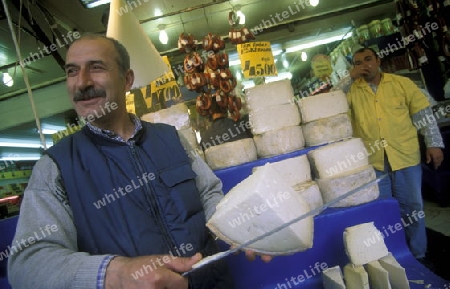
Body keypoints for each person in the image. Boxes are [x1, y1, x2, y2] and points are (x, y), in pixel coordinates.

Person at [7, 34, 271, 289]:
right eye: (72, 72)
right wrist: (115, 274)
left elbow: (208, 194)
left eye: (96, 68)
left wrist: (239, 224)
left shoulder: (171, 138)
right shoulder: (56, 167)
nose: (82, 83)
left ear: (127, 79)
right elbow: (27, 264)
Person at [344, 46, 445, 261]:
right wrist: (347, 79)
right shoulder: (351, 91)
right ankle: (392, 255)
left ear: (378, 60)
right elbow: (329, 104)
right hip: (374, 162)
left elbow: (423, 115)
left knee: (413, 207)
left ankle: (419, 253)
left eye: (368, 59)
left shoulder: (401, 84)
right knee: (383, 211)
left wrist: (434, 143)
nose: (364, 65)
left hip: (405, 156)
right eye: (358, 62)